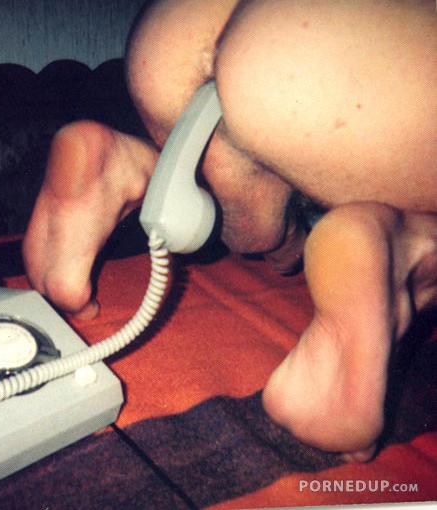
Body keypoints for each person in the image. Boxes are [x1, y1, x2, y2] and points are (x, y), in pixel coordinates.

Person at [23, 0, 437, 462]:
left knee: (261, 221)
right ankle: (408, 244)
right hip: (325, 46)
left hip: (171, 28)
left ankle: (138, 164)